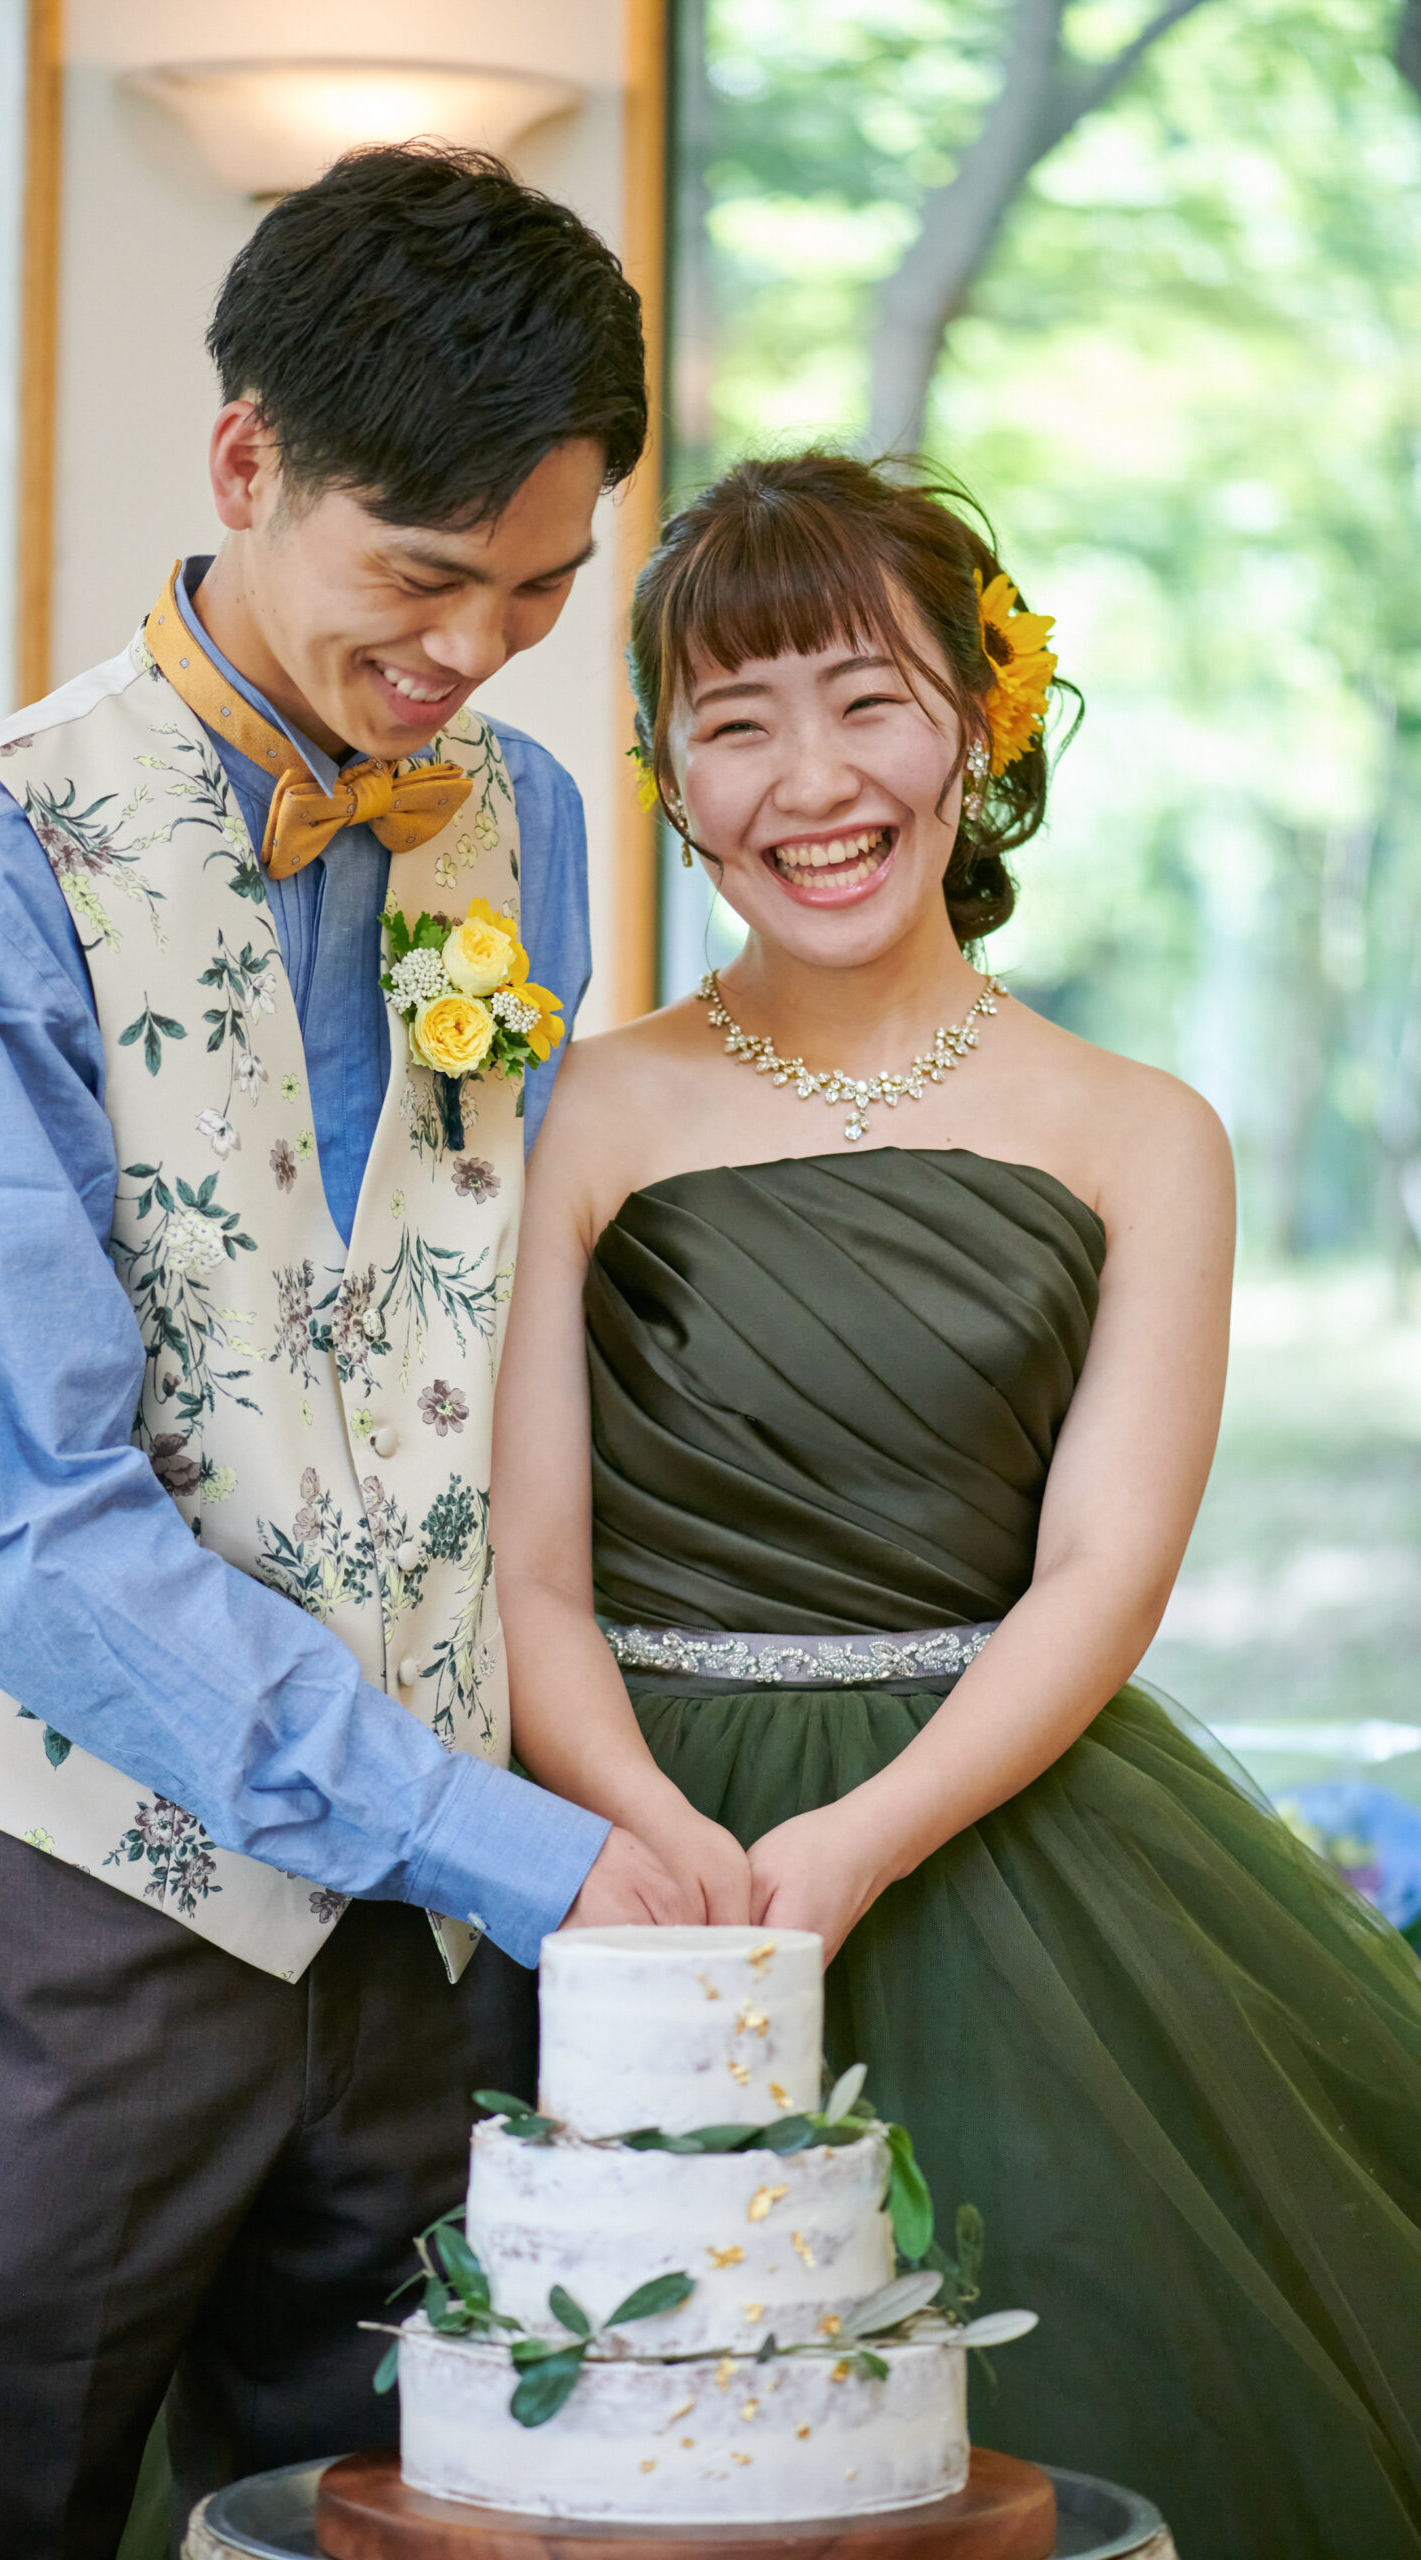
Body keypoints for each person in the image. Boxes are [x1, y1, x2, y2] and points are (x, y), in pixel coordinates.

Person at [0, 146, 725, 2560]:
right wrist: (509, 1841)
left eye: (538, 585)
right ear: (243, 463)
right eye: (419, 575)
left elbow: (467, 1336)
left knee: (426, 2520)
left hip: (436, 1949)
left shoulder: (524, 824)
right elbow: (43, 1538)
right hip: (72, 1903)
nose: (475, 649)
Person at [491, 449, 1421, 2560]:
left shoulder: (1142, 1131)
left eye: (867, 700)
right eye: (737, 721)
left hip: (1011, 1833)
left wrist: (860, 1837)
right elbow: (526, 1564)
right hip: (623, 1848)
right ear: (670, 779)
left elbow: (1103, 1569)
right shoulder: (580, 1105)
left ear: (980, 724)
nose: (811, 781)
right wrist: (644, 1833)